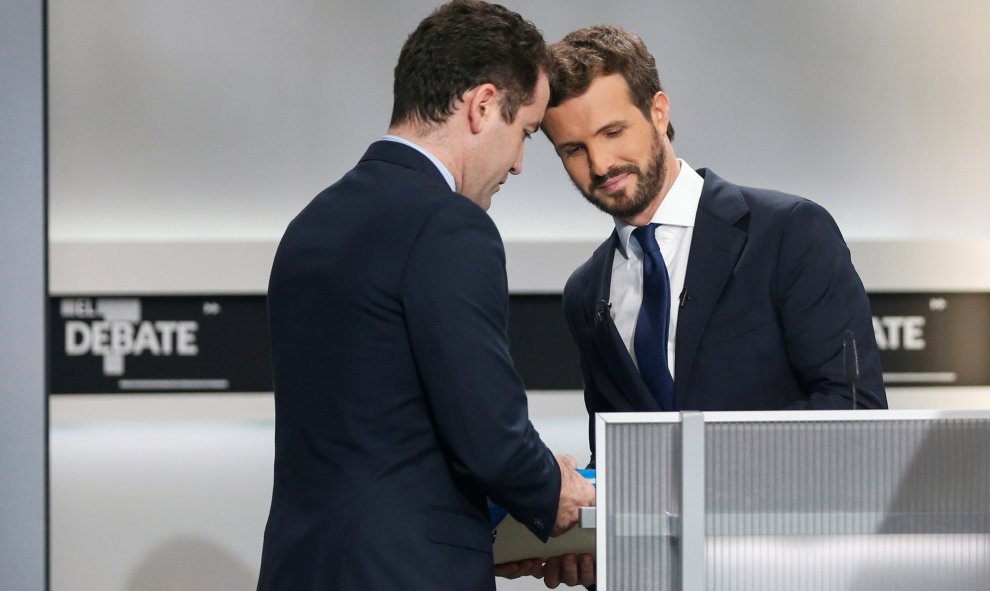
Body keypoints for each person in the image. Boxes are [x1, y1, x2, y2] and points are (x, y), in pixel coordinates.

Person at [525, 24, 889, 588]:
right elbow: (620, 460)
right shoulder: (584, 292)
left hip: (791, 571)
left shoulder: (789, 232)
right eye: (573, 148)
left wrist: (686, 476)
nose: (599, 164)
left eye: (614, 130)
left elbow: (852, 416)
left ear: (660, 112)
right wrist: (596, 539)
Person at [255, 2, 595, 590]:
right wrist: (556, 492)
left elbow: (388, 430)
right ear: (483, 105)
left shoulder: (313, 223)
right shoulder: (449, 226)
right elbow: (489, 435)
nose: (517, 164)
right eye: (526, 134)